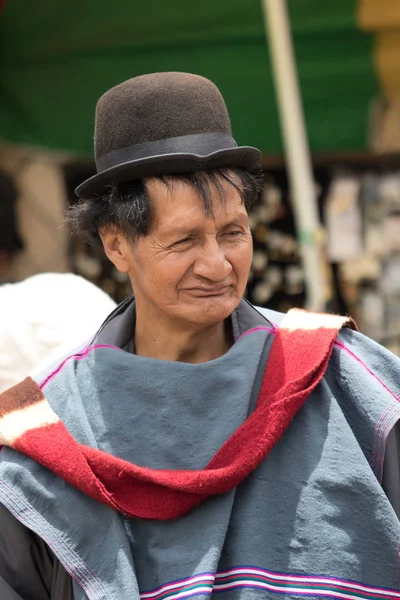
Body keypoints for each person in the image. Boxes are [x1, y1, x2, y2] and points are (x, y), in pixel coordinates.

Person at [0, 72, 399, 600]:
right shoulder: (47, 433)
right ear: (116, 244)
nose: (217, 265)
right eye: (184, 240)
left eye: (233, 233)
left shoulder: (345, 378)